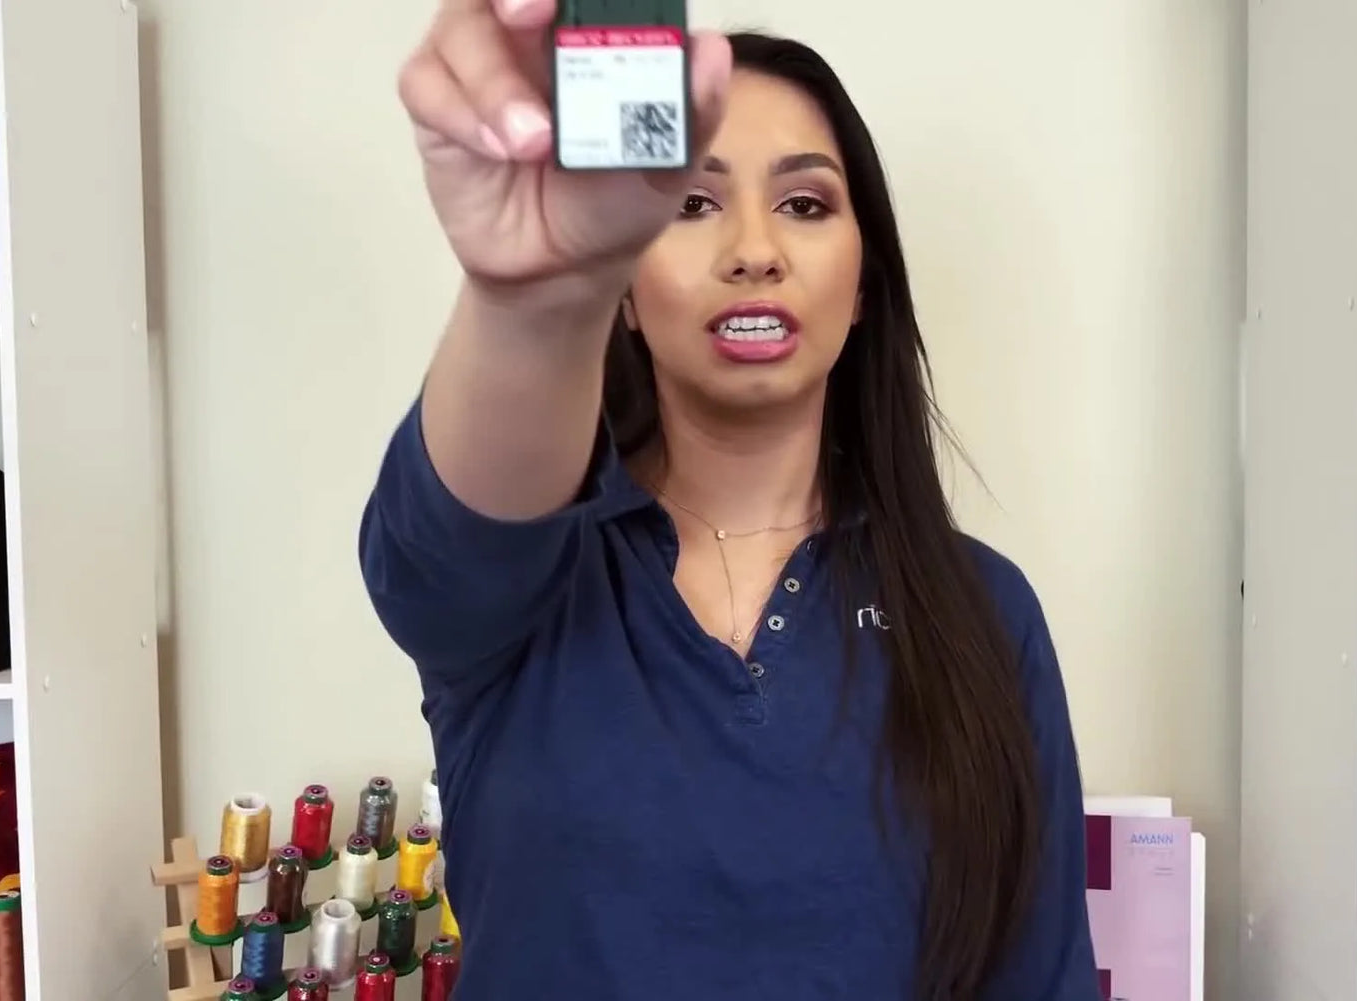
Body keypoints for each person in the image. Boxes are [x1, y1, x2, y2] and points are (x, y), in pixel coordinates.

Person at [361, 1, 1100, 998]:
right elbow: (440, 547)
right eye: (690, 205)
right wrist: (530, 293)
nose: (754, 249)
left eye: (804, 204)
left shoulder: (986, 615)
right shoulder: (529, 586)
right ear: (623, 286)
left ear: (865, 280)